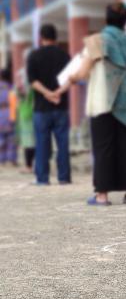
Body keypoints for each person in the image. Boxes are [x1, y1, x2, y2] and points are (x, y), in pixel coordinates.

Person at [58, 2, 126, 206]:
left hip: (102, 103)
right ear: (125, 20)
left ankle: (102, 196)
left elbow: (83, 72)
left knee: (103, 148)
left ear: (106, 19)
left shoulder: (97, 40)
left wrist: (72, 78)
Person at [27, 24, 71, 185]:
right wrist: (57, 93)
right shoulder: (65, 55)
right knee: (63, 143)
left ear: (41, 37)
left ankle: (42, 178)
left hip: (41, 108)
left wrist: (47, 94)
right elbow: (70, 78)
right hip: (61, 106)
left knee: (42, 143)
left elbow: (33, 81)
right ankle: (64, 177)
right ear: (56, 37)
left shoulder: (34, 56)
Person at [16, 49, 35, 174]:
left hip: (26, 109)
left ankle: (29, 166)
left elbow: (20, 91)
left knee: (28, 140)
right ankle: (34, 165)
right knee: (36, 138)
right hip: (35, 107)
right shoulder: (36, 70)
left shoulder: (22, 73)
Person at [0, 68, 17, 166]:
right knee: (11, 138)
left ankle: (1, 159)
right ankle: (12, 159)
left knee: (1, 138)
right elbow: (15, 101)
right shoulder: (11, 87)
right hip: (10, 112)